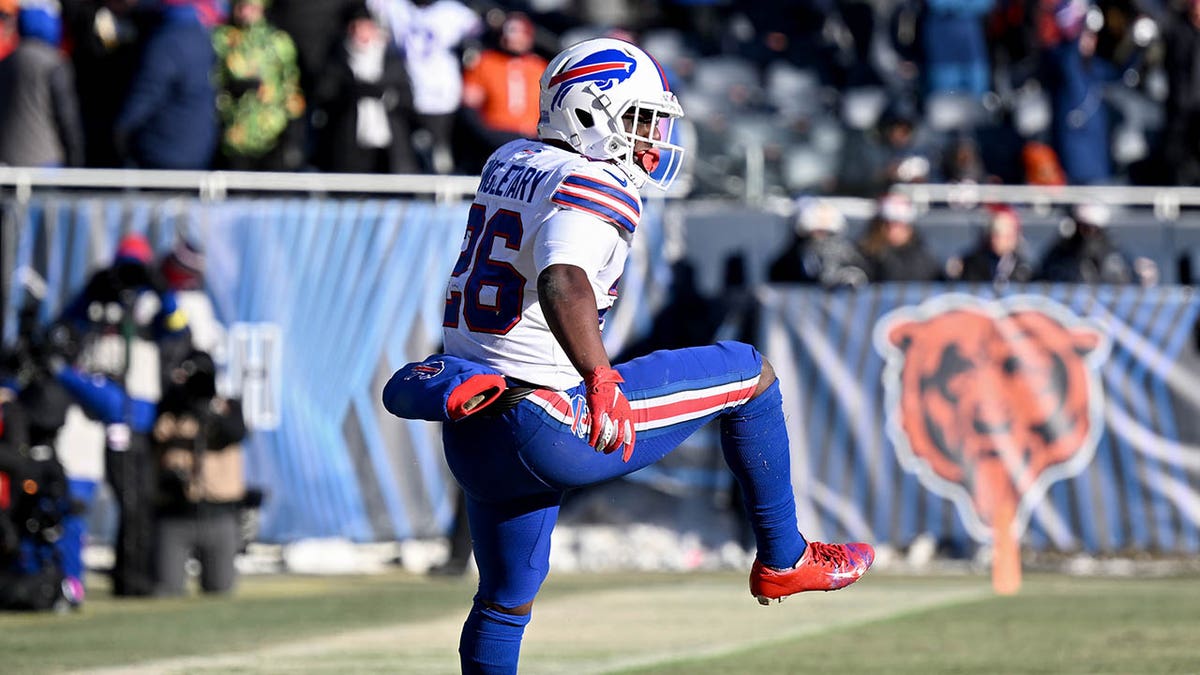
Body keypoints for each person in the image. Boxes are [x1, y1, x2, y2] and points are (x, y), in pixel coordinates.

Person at [382, 38, 874, 674]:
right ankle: (786, 558)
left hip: (476, 427)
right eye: (641, 119)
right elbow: (563, 278)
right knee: (752, 374)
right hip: (552, 419)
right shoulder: (591, 180)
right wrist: (601, 376)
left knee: (503, 603)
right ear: (588, 115)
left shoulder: (509, 159)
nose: (653, 138)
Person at [152, 349, 247, 595]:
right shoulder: (169, 410)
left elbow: (236, 432)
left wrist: (209, 412)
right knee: (166, 590)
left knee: (221, 591)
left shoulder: (229, 408)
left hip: (219, 515)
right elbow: (153, 434)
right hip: (176, 514)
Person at [311, 1, 418, 174]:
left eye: (366, 27)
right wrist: (354, 92)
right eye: (356, 27)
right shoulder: (338, 59)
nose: (361, 33)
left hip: (388, 146)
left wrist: (386, 96)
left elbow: (408, 98)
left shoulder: (391, 59)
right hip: (349, 143)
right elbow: (326, 95)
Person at [113, 0, 218, 169]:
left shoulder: (167, 40)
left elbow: (147, 91)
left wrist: (121, 129)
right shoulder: (201, 35)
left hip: (162, 149)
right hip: (197, 148)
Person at [211, 0, 306, 171]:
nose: (246, 12)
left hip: (271, 133)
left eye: (251, 7)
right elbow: (212, 80)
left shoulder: (278, 41)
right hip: (234, 135)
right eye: (241, 6)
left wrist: (292, 132)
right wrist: (231, 88)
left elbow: (291, 86)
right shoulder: (223, 39)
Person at [0, 1, 85, 167]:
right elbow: (66, 117)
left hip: (7, 159)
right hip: (45, 160)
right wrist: (76, 159)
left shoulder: (6, 62)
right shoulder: (54, 63)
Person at [458, 12, 547, 170]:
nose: (514, 40)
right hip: (495, 136)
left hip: (532, 138)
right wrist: (486, 135)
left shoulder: (539, 66)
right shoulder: (485, 62)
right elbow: (469, 105)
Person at [767, 197, 870, 288]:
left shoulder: (852, 260)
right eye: (815, 233)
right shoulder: (785, 266)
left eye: (828, 234)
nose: (821, 239)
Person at [857, 192, 943, 281]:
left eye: (898, 224)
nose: (892, 229)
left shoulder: (924, 257)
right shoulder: (864, 256)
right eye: (886, 223)